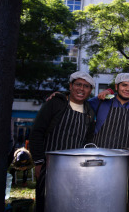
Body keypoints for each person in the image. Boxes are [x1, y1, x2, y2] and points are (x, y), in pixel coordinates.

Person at [29, 71, 95, 212]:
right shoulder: (55, 103)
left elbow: (88, 140)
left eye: (86, 86)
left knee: (71, 203)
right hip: (49, 165)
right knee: (47, 202)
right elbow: (37, 132)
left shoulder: (90, 111)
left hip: (76, 169)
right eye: (78, 84)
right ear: (70, 86)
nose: (81, 89)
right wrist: (39, 161)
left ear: (90, 90)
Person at [88, 73, 129, 149]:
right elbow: (83, 103)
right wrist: (108, 91)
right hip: (98, 154)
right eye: (124, 85)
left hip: (124, 157)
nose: (127, 89)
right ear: (116, 86)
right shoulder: (101, 102)